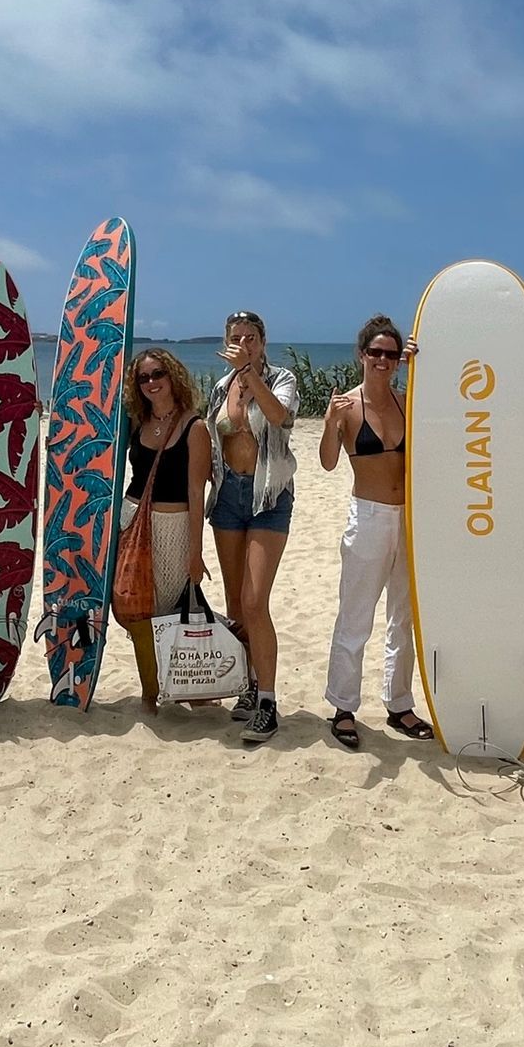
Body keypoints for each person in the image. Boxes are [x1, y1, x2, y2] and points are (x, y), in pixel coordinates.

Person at [318, 316, 436, 748]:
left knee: (403, 618)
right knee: (355, 615)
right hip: (367, 516)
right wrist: (331, 422)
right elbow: (328, 461)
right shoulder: (347, 406)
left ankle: (399, 704)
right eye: (376, 352)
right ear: (362, 354)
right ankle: (344, 706)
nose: (383, 360)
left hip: (410, 518)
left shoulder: (409, 401)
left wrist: (430, 358)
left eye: (392, 354)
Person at [205, 309, 299, 743]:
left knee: (256, 599)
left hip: (269, 498)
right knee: (236, 603)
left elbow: (280, 416)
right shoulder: (222, 387)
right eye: (236, 337)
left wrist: (249, 372)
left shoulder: (281, 379)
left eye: (251, 338)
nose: (244, 343)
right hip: (228, 498)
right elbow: (211, 438)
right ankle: (246, 685)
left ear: (263, 341)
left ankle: (268, 701)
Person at [120, 349, 213, 711]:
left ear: (173, 375)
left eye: (157, 374)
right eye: (143, 378)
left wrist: (196, 551)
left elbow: (195, 492)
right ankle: (150, 689)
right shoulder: (136, 422)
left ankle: (183, 685)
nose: (151, 383)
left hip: (174, 526)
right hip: (132, 523)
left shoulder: (195, 426)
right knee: (134, 608)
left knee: (169, 611)